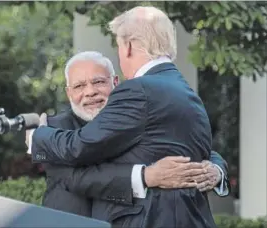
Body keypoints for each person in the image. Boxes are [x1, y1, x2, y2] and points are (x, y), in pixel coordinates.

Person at [30, 6, 224, 227]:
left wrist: (38, 135)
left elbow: (79, 146)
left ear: (128, 46)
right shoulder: (184, 90)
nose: (90, 91)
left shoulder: (137, 91)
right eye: (79, 85)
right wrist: (147, 175)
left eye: (99, 82)